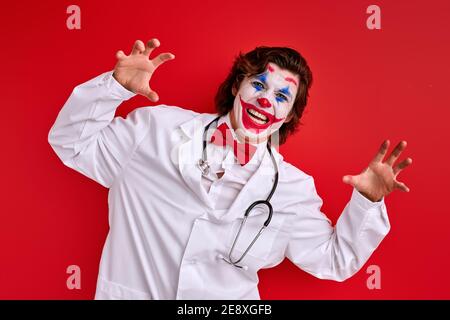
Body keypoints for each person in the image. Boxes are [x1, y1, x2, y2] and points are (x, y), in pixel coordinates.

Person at [48, 38, 412, 300]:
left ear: (288, 115)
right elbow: (70, 143)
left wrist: (366, 201)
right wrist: (113, 89)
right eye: (259, 84)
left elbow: (335, 260)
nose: (266, 99)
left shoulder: (290, 188)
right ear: (239, 85)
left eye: (282, 97)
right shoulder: (155, 131)